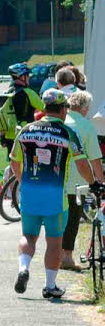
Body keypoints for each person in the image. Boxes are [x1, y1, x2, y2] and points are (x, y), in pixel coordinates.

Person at [11, 89, 97, 299]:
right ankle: (50, 285)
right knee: (55, 241)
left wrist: (24, 181)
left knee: (28, 236)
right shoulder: (67, 133)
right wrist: (93, 182)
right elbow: (82, 164)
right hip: (56, 196)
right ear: (62, 109)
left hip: (30, 193)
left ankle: (23, 268)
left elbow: (14, 161)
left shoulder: (26, 130)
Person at [61, 90, 104, 269]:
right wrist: (100, 182)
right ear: (85, 109)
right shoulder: (86, 127)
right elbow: (94, 159)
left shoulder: (61, 122)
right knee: (72, 221)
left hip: (56, 180)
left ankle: (55, 255)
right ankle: (67, 258)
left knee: (57, 220)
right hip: (77, 181)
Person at [0, 63, 44, 154]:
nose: (28, 77)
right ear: (21, 77)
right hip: (27, 133)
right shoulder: (29, 93)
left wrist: (2, 137)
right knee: (30, 163)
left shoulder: (7, 93)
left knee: (14, 165)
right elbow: (46, 110)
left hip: (10, 135)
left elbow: (1, 115)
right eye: (27, 75)